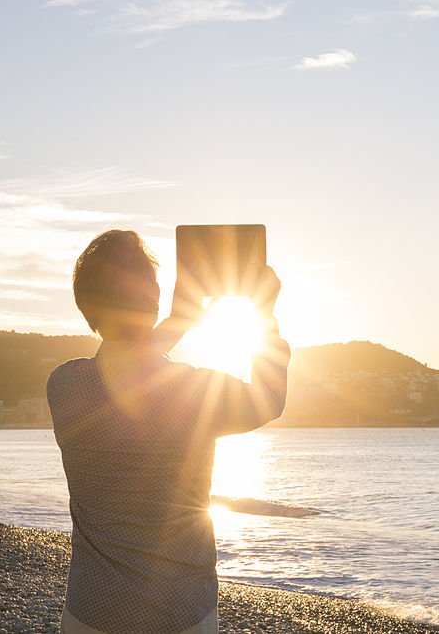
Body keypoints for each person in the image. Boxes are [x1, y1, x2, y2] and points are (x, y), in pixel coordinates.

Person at [47, 229, 290, 634]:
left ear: (85, 307)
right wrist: (263, 312)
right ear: (153, 300)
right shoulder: (193, 392)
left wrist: (178, 320)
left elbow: (127, 361)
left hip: (90, 609)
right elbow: (269, 400)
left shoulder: (64, 384)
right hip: (178, 612)